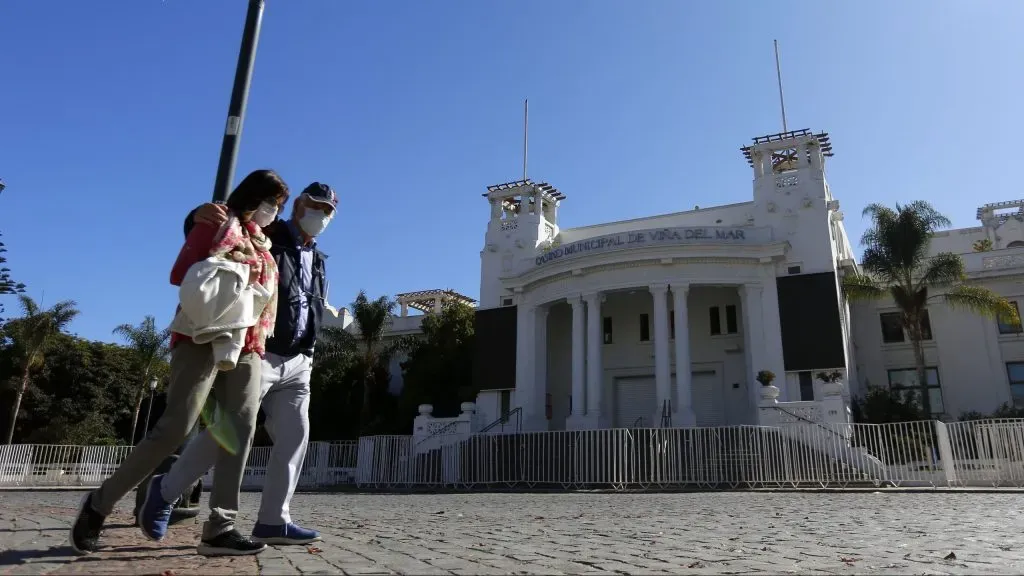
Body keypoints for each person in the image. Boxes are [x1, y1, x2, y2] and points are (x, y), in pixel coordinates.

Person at [70, 170, 289, 557]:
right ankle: (98, 506)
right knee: (177, 426)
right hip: (201, 336)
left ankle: (221, 525)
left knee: (239, 430)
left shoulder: (264, 244)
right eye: (274, 203)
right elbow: (180, 275)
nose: (276, 212)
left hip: (248, 343)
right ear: (256, 197)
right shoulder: (217, 223)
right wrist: (196, 221)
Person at [137, 182, 337, 547]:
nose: (320, 215)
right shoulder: (268, 235)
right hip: (260, 350)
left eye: (327, 211)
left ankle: (274, 520)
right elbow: (221, 230)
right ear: (298, 204)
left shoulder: (320, 259)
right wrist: (195, 215)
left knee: (295, 436)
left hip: (299, 360)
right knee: (226, 434)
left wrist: (308, 351)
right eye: (315, 205)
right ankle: (164, 491)